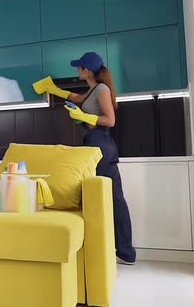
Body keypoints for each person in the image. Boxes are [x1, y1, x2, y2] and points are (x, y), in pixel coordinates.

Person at [32, 52, 137, 265]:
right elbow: (75, 98)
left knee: (114, 199)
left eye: (78, 67)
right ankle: (115, 249)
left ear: (86, 70)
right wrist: (52, 89)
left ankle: (126, 251)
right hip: (93, 143)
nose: (76, 70)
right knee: (100, 198)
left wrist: (84, 116)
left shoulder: (102, 90)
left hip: (101, 144)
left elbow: (110, 120)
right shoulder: (92, 90)